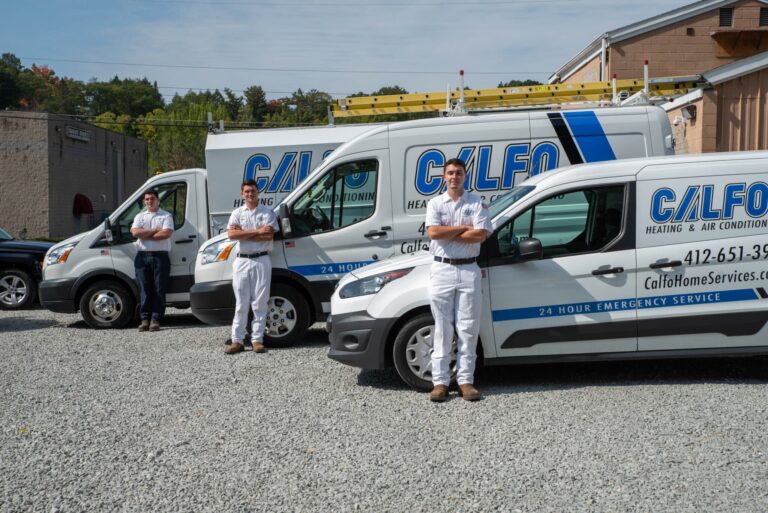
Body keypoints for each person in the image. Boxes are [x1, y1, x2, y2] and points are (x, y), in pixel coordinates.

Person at [425, 158, 493, 402]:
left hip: (468, 271)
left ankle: (466, 381)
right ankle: (440, 383)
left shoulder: (477, 203)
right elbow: (433, 232)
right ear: (444, 177)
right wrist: (463, 229)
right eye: (450, 173)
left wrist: (449, 232)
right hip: (441, 270)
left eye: (459, 173)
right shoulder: (435, 203)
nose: (455, 177)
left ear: (466, 176)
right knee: (443, 328)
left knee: (468, 328)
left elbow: (480, 235)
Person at [224, 180, 279, 355]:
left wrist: (244, 234)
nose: (250, 194)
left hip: (262, 260)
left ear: (258, 192)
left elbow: (268, 236)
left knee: (260, 303)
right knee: (241, 303)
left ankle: (257, 340)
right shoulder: (237, 213)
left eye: (253, 191)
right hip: (242, 262)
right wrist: (257, 232)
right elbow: (232, 235)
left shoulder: (267, 212)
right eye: (246, 191)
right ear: (242, 194)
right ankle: (237, 341)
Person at [130, 189, 174, 332]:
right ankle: (144, 320)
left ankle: (155, 320)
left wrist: (145, 234)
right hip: (142, 257)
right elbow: (135, 232)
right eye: (147, 199)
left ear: (158, 200)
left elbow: (166, 233)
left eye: (152, 199)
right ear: (144, 201)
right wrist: (155, 230)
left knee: (159, 289)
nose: (149, 201)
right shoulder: (139, 216)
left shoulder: (166, 216)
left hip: (160, 256)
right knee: (144, 289)